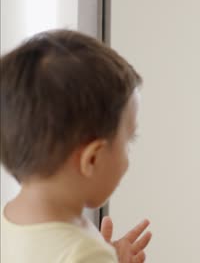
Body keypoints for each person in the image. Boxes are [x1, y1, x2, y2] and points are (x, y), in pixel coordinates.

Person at [0, 29, 152, 263]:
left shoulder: (9, 222)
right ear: (92, 158)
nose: (128, 159)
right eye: (128, 141)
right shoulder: (84, 253)